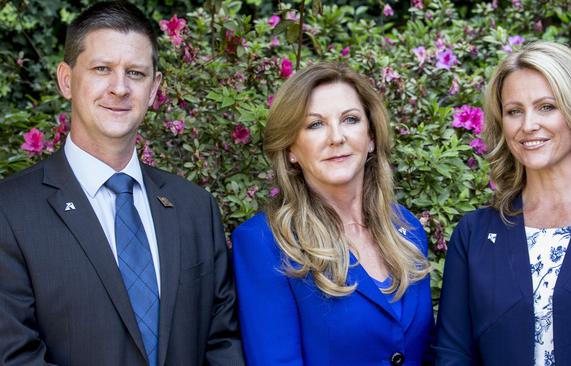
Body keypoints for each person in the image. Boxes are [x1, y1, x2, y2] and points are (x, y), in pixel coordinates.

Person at [0, 2, 244, 365]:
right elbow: (14, 356)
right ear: (66, 80)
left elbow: (222, 344)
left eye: (136, 73)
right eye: (102, 69)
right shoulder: (10, 211)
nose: (119, 88)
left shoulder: (195, 209)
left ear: (154, 88)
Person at [434, 40, 571, 365]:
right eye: (514, 111)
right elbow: (453, 355)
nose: (528, 125)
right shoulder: (475, 234)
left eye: (546, 107)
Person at [232, 62, 434, 365]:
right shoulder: (263, 243)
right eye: (315, 124)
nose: (336, 137)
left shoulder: (406, 228)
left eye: (350, 119)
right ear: (291, 149)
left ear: (371, 138)